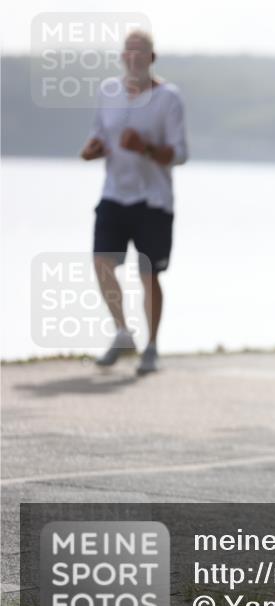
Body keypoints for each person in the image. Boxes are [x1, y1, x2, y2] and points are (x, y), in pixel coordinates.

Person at [81, 29, 188, 375]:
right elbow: (99, 135)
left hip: (153, 200)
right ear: (121, 57)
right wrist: (91, 150)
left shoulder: (169, 98)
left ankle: (152, 347)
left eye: (141, 51)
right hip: (114, 193)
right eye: (128, 51)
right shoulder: (108, 92)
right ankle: (123, 333)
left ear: (152, 58)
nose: (134, 57)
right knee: (101, 262)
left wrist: (145, 147)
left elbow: (180, 154)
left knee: (148, 273)